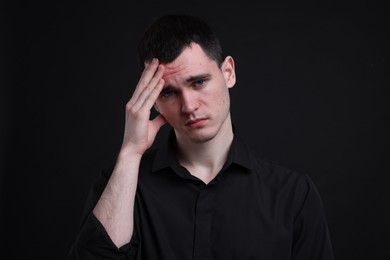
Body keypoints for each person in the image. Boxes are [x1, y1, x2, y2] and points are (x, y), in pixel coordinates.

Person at [68, 14, 334, 260]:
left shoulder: (293, 195)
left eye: (198, 82)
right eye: (168, 93)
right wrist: (130, 153)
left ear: (228, 72)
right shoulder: (122, 187)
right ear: (152, 101)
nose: (189, 106)